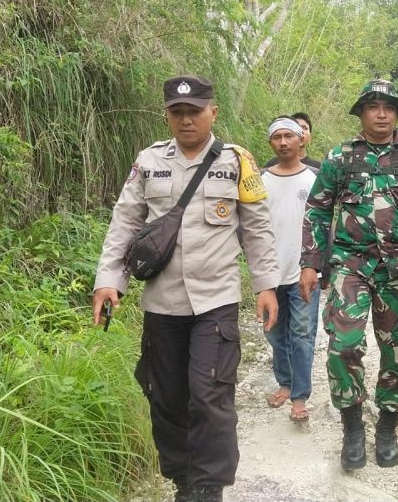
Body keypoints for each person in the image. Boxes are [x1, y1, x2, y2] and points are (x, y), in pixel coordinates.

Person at [91, 75, 280, 502]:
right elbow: (125, 222)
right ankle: (183, 481)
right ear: (167, 116)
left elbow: (257, 228)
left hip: (216, 301)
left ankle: (209, 487)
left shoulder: (238, 161)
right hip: (163, 303)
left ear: (213, 112)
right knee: (168, 398)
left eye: (194, 111)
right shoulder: (149, 161)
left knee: (210, 396)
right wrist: (109, 281)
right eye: (177, 112)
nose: (186, 119)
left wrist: (266, 284)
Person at [299, 79, 398, 471]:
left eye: (389, 107)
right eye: (373, 106)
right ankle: (352, 428)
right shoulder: (340, 157)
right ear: (361, 113)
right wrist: (310, 263)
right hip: (351, 264)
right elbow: (317, 210)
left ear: (397, 114)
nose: (382, 113)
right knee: (343, 345)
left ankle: (387, 427)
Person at [260, 116, 320, 422]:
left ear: (301, 140)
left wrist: (320, 266)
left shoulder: (315, 179)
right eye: (277, 137)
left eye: (289, 136)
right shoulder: (259, 180)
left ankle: (299, 395)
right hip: (269, 275)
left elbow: (325, 226)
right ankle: (284, 380)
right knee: (273, 333)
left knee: (301, 333)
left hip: (305, 273)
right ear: (270, 142)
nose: (283, 142)